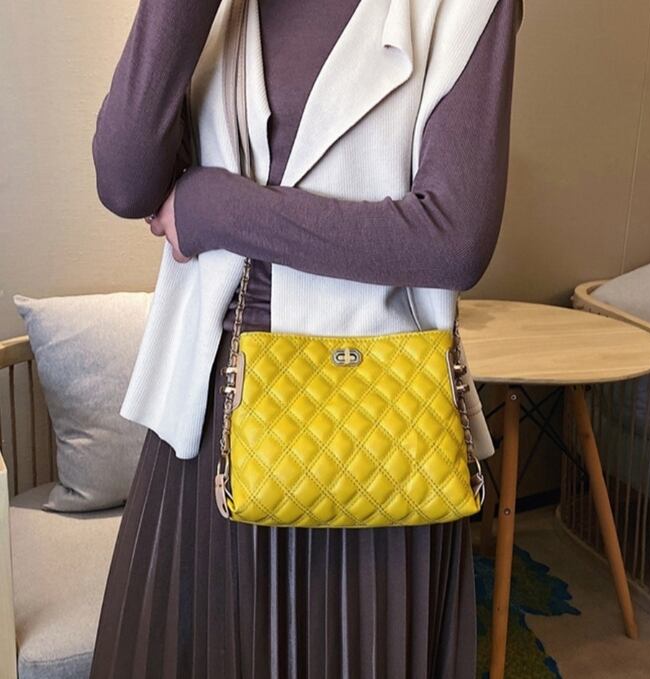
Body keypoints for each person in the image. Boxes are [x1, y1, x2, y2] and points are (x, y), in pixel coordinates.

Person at [89, 0, 522, 676]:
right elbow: (124, 181)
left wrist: (220, 208)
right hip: (209, 419)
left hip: (377, 426)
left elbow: (454, 238)